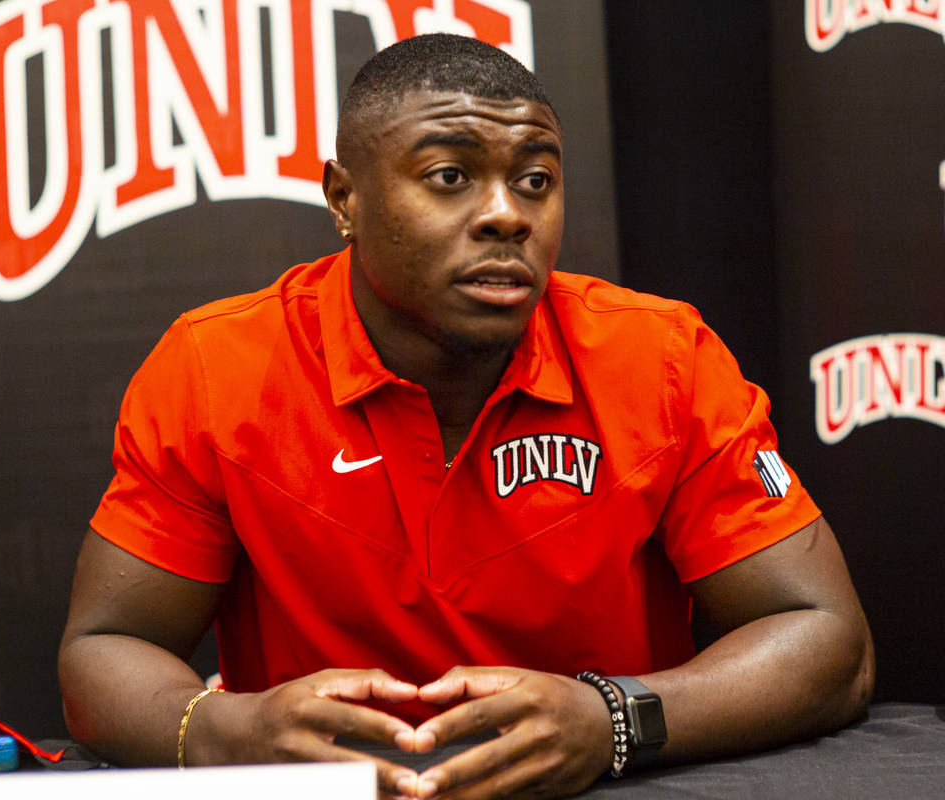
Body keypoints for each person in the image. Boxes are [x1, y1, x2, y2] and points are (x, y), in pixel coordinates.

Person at [58, 33, 874, 800]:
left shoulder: (659, 360)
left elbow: (826, 638)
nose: (508, 216)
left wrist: (611, 721)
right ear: (344, 197)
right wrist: (231, 735)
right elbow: (103, 651)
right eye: (451, 176)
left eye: (535, 180)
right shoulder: (219, 368)